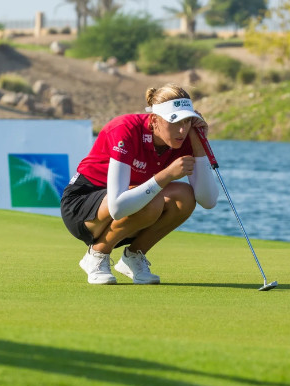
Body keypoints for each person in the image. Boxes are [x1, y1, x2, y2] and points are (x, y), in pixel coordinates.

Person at [60, 83, 219, 284]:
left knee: (185, 197)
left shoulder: (185, 138)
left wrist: (199, 144)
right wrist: (167, 175)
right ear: (154, 120)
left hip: (134, 204)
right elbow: (117, 208)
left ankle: (133, 257)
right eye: (175, 121)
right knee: (151, 201)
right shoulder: (125, 129)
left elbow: (208, 200)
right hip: (83, 206)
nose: (182, 129)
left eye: (188, 121)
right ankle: (97, 255)